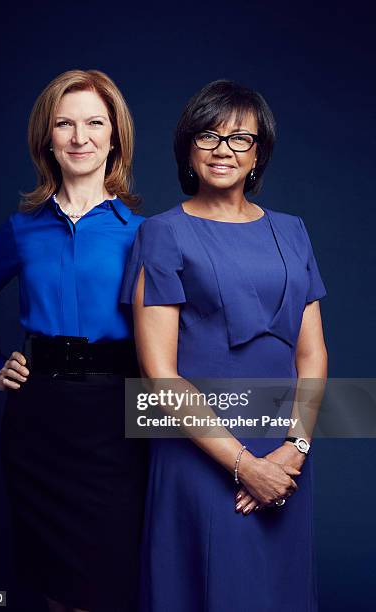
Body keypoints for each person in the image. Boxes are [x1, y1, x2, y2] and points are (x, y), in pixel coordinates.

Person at [120, 79, 328, 611]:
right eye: (208, 135)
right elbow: (158, 375)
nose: (222, 149)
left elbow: (312, 355)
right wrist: (243, 465)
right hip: (201, 449)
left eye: (240, 138)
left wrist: (293, 451)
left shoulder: (293, 231)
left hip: (284, 455)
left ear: (259, 153)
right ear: (188, 148)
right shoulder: (162, 234)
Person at [0, 69, 148, 612]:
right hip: (38, 421)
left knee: (110, 580)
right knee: (56, 584)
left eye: (94, 123)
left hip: (116, 419)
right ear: (47, 137)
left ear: (115, 137)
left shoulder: (144, 232)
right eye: (64, 123)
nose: (79, 137)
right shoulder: (22, 228)